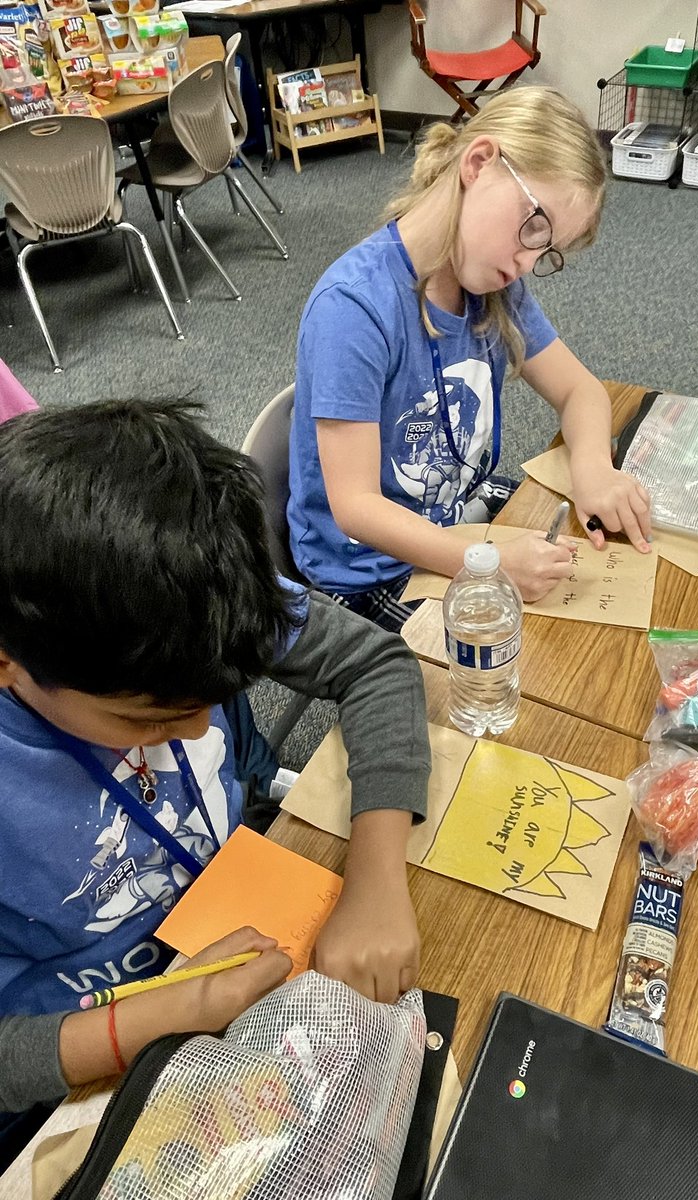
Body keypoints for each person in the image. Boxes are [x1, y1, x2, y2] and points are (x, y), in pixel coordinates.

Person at [0, 400, 430, 1141]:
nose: (202, 731)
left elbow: (378, 664)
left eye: (213, 703)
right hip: (77, 1081)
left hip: (243, 926)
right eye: (148, 721)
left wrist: (377, 879)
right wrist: (164, 1014)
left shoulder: (187, 599)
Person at [288, 85, 653, 633]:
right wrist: (490, 563)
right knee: (526, 659)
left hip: (458, 512)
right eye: (535, 227)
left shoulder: (490, 283)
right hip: (369, 569)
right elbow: (356, 508)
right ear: (479, 164)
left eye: (546, 250)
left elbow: (581, 392)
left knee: (607, 551)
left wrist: (593, 470)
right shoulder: (355, 308)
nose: (528, 261)